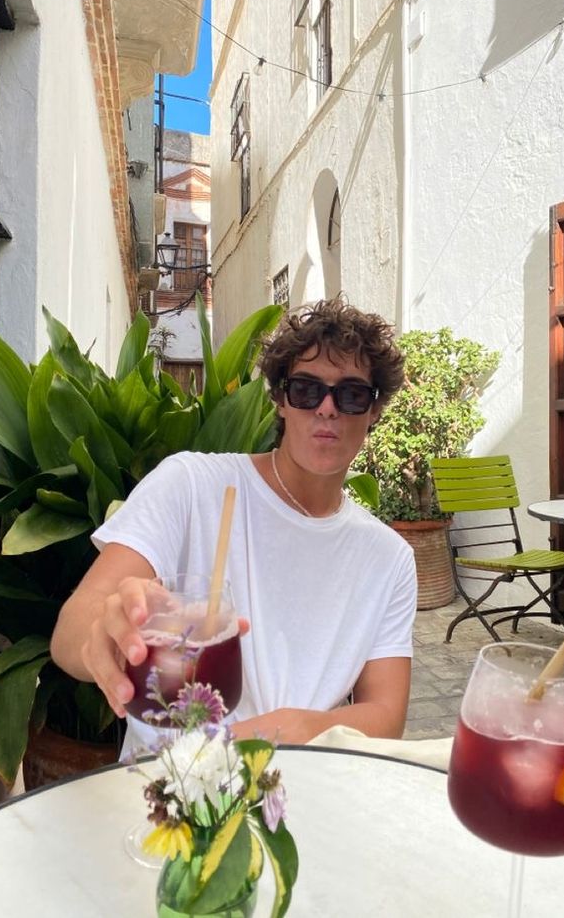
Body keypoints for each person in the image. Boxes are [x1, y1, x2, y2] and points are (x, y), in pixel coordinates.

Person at [50, 297, 417, 750]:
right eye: (306, 389)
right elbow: (72, 632)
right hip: (171, 790)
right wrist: (108, 635)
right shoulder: (191, 484)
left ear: (374, 411)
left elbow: (386, 713)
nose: (327, 409)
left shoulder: (388, 557)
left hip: (301, 787)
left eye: (351, 394)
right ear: (281, 399)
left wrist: (285, 729)